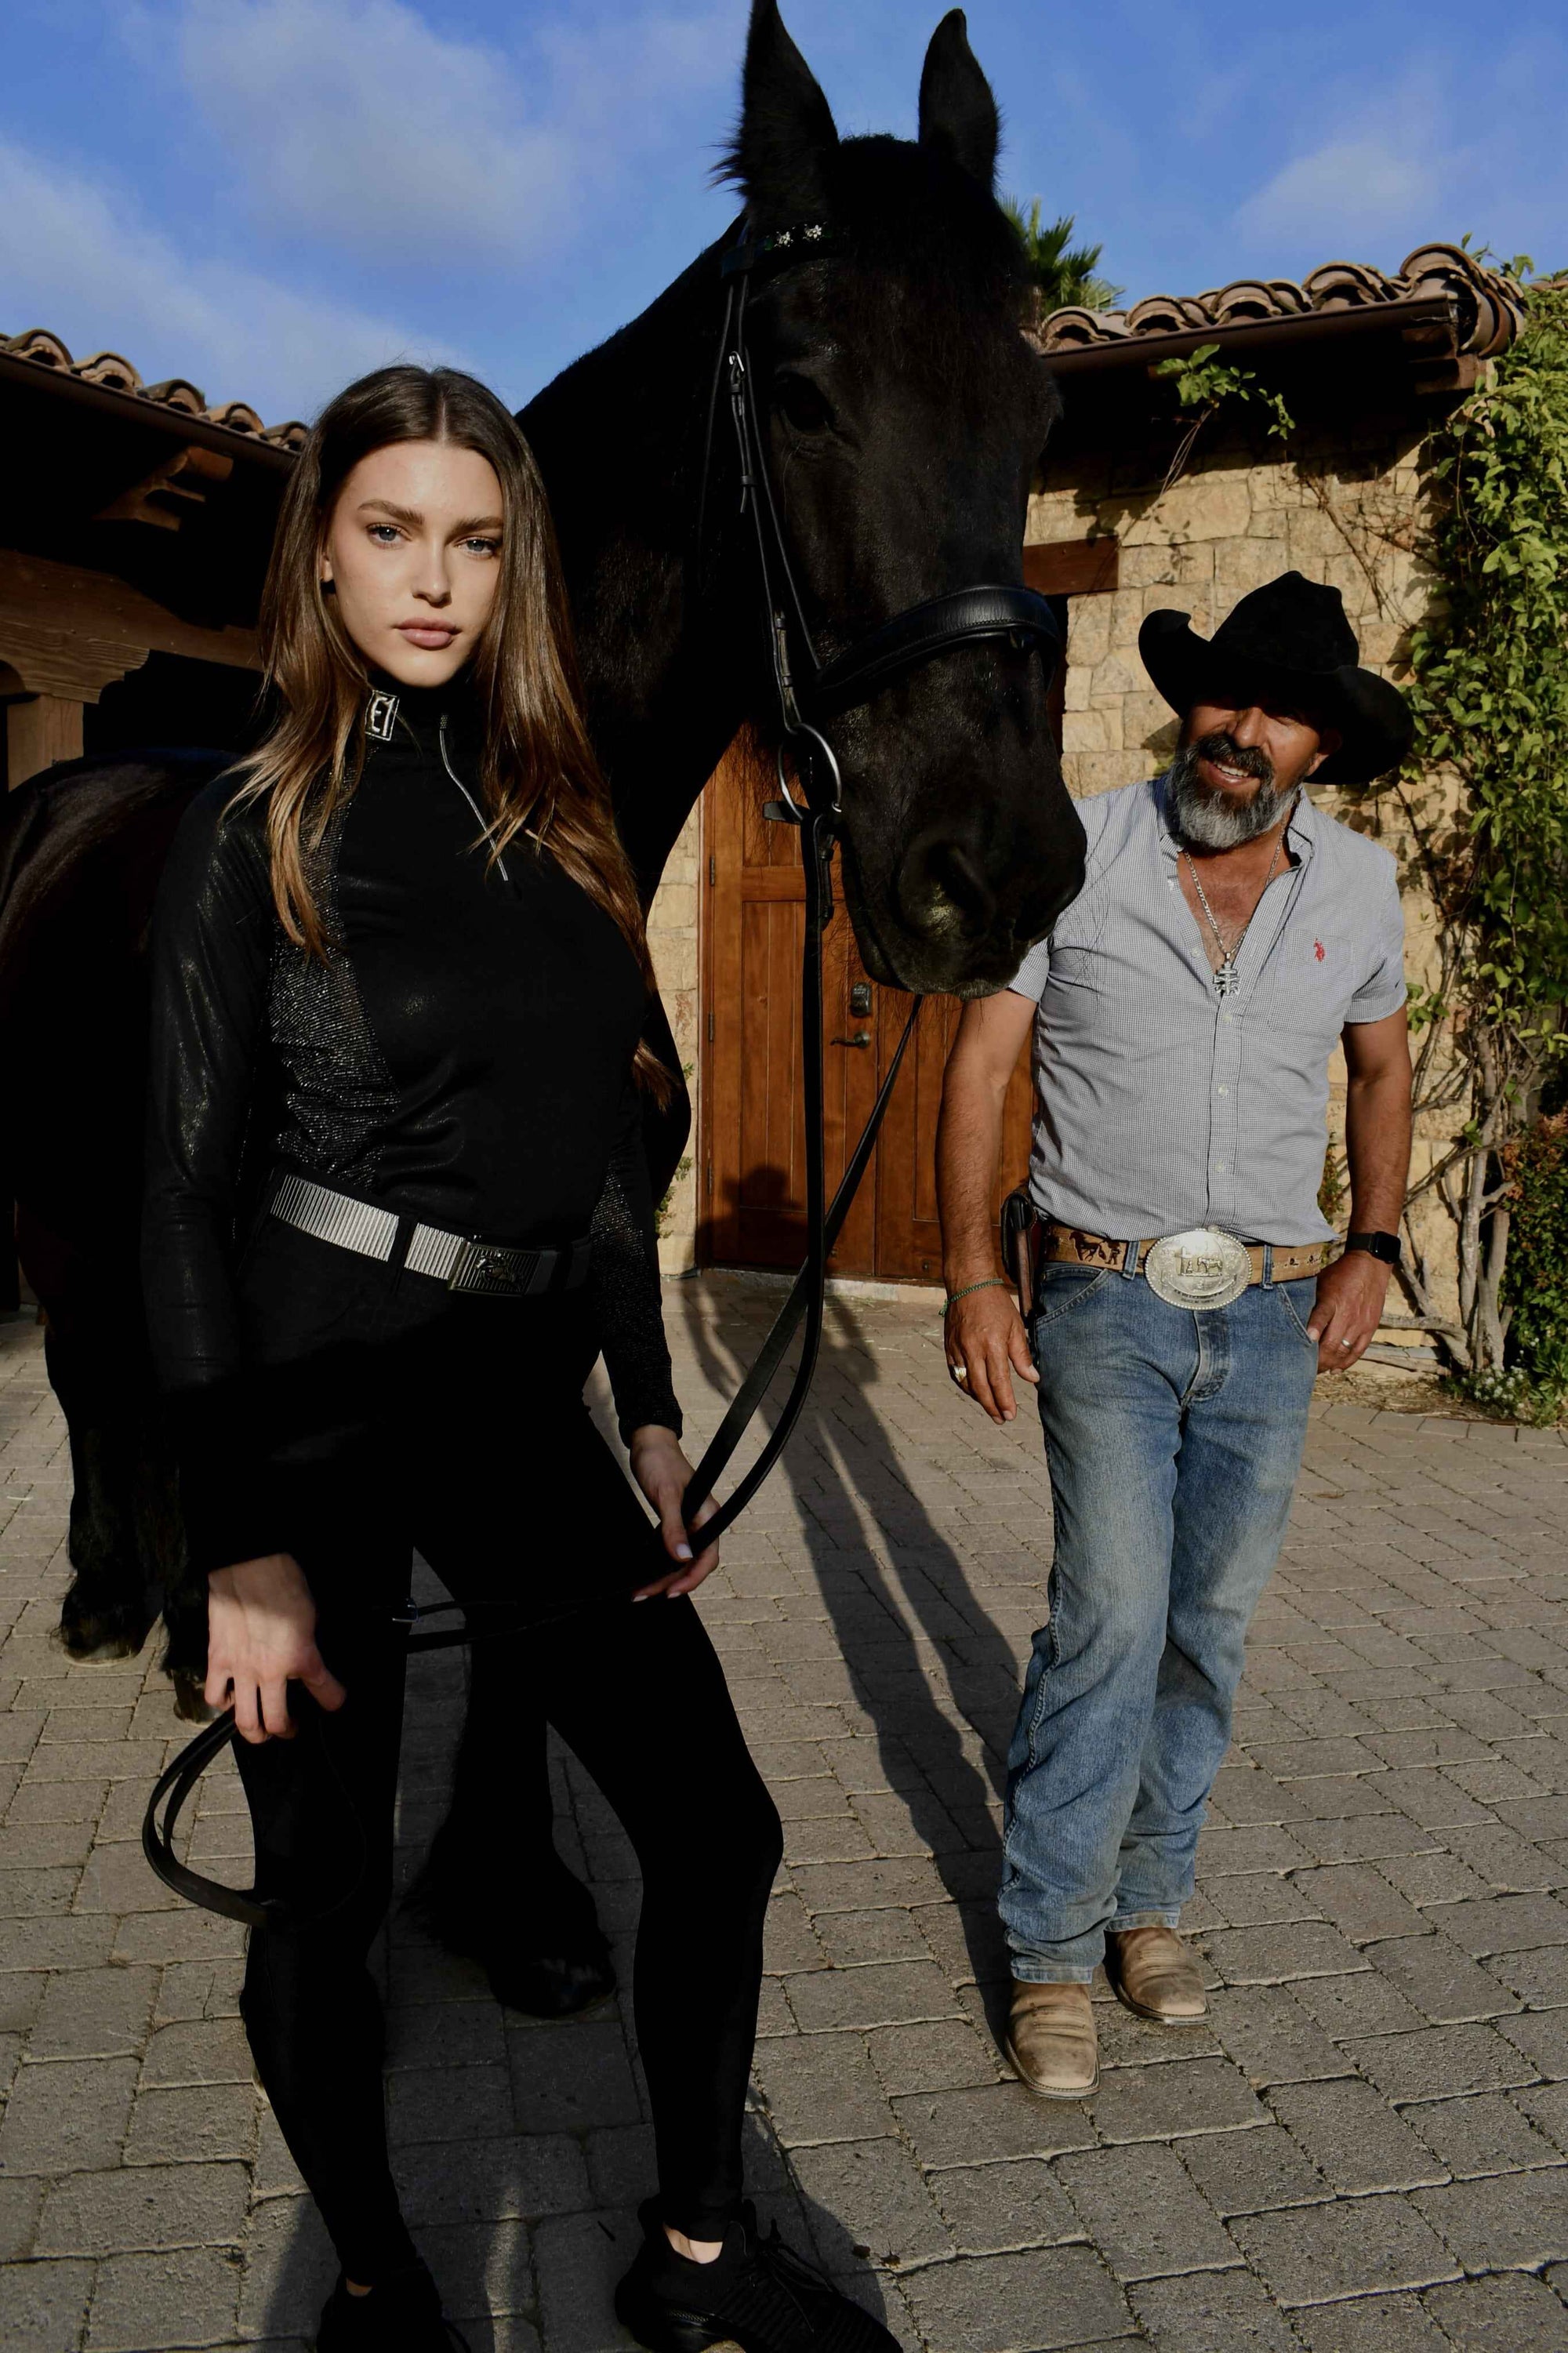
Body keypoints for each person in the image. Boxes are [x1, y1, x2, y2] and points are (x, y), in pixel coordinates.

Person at [143, 364, 898, 2353]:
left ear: (517, 568)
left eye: (475, 540)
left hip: (504, 1398)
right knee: (320, 1894)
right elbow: (178, 1202)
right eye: (392, 529)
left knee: (715, 1824)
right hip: (302, 1403)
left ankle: (701, 2259)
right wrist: (236, 1545)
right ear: (322, 546)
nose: (434, 578)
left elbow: (592, 1166)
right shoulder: (254, 829)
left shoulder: (557, 826)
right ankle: (384, 2285)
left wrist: (645, 1410)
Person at [935, 572, 1414, 2099]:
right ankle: (1051, 1948)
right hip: (1100, 1295)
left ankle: (1147, 1903)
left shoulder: (1355, 886)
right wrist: (969, 1277)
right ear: (1184, 702)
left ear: (1317, 747)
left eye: (1274, 711)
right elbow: (980, 1060)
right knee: (1111, 1617)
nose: (1237, 730)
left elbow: (1384, 1074)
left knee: (1205, 1629)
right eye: (1221, 695)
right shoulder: (1073, 847)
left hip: (1272, 1310)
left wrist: (1374, 1246)